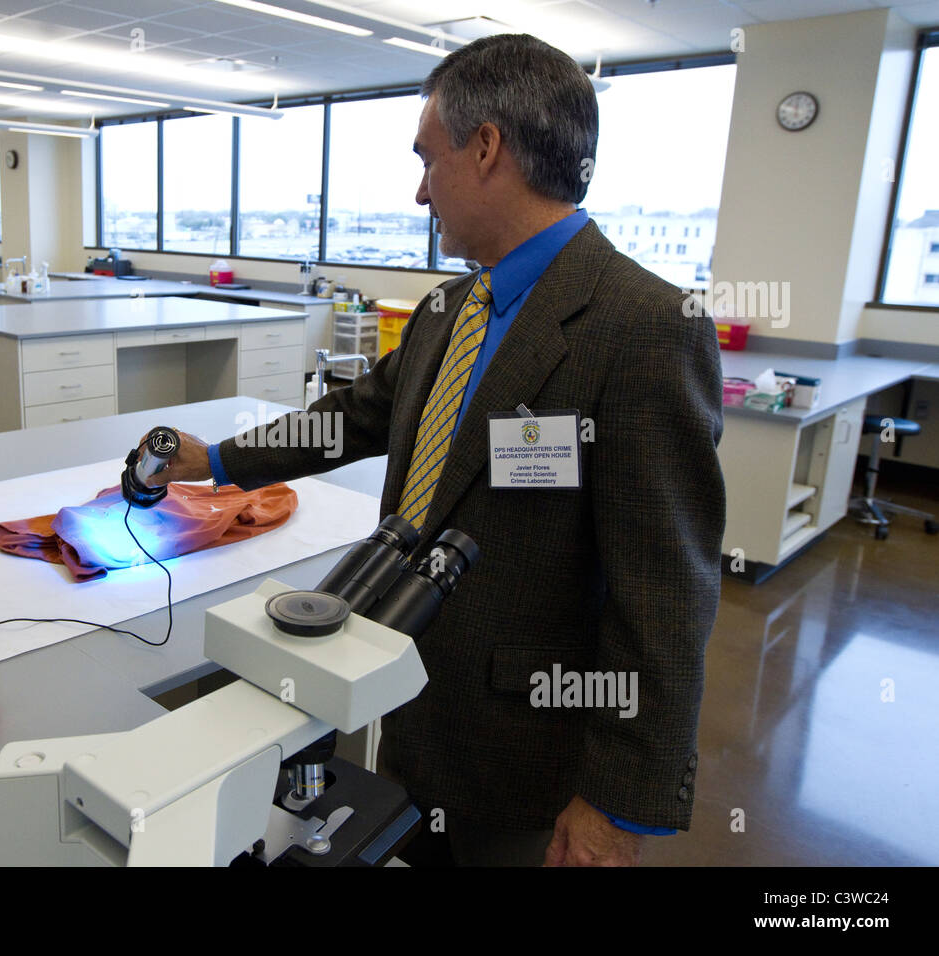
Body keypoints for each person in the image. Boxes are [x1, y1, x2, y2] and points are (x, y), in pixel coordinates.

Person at [144, 32, 725, 866]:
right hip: (406, 687)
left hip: (524, 747)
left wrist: (619, 806)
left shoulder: (642, 330)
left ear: (486, 148)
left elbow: (666, 596)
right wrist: (221, 462)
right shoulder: (451, 307)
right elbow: (357, 416)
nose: (420, 193)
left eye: (428, 160)